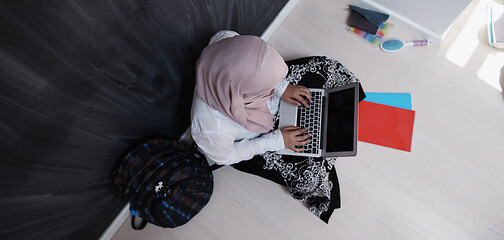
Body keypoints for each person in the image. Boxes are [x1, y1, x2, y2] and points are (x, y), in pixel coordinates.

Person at [191, 30, 313, 165]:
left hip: (259, 104)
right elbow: (229, 156)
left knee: (328, 68)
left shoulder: (225, 40)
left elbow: (251, 67)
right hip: (254, 140)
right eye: (268, 88)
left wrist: (281, 87)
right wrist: (277, 141)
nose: (272, 90)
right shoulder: (211, 130)